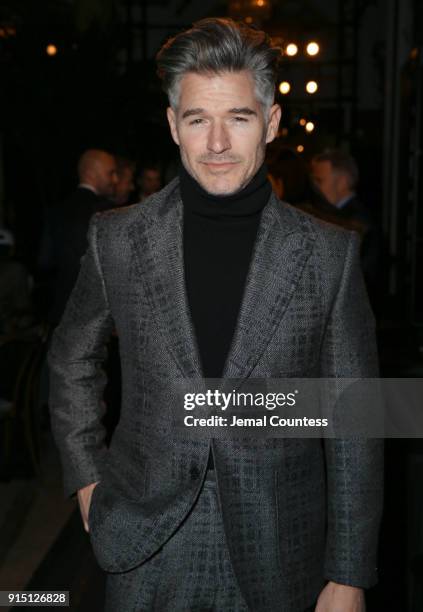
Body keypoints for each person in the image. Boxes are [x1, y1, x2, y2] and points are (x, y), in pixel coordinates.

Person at [48, 18, 383, 612]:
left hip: (283, 551)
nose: (218, 143)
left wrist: (349, 573)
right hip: (145, 543)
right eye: (199, 119)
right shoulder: (117, 239)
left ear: (272, 123)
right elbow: (73, 358)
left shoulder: (330, 255)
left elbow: (356, 416)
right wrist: (87, 481)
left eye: (240, 118)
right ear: (175, 125)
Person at [47, 149, 118, 325]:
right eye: (111, 173)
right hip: (95, 317)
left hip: (61, 310)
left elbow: (45, 261)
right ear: (92, 172)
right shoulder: (106, 212)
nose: (115, 180)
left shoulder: (56, 211)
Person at [310, 149, 382, 295]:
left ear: (342, 182)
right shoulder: (328, 215)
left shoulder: (358, 222)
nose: (315, 187)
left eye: (320, 181)